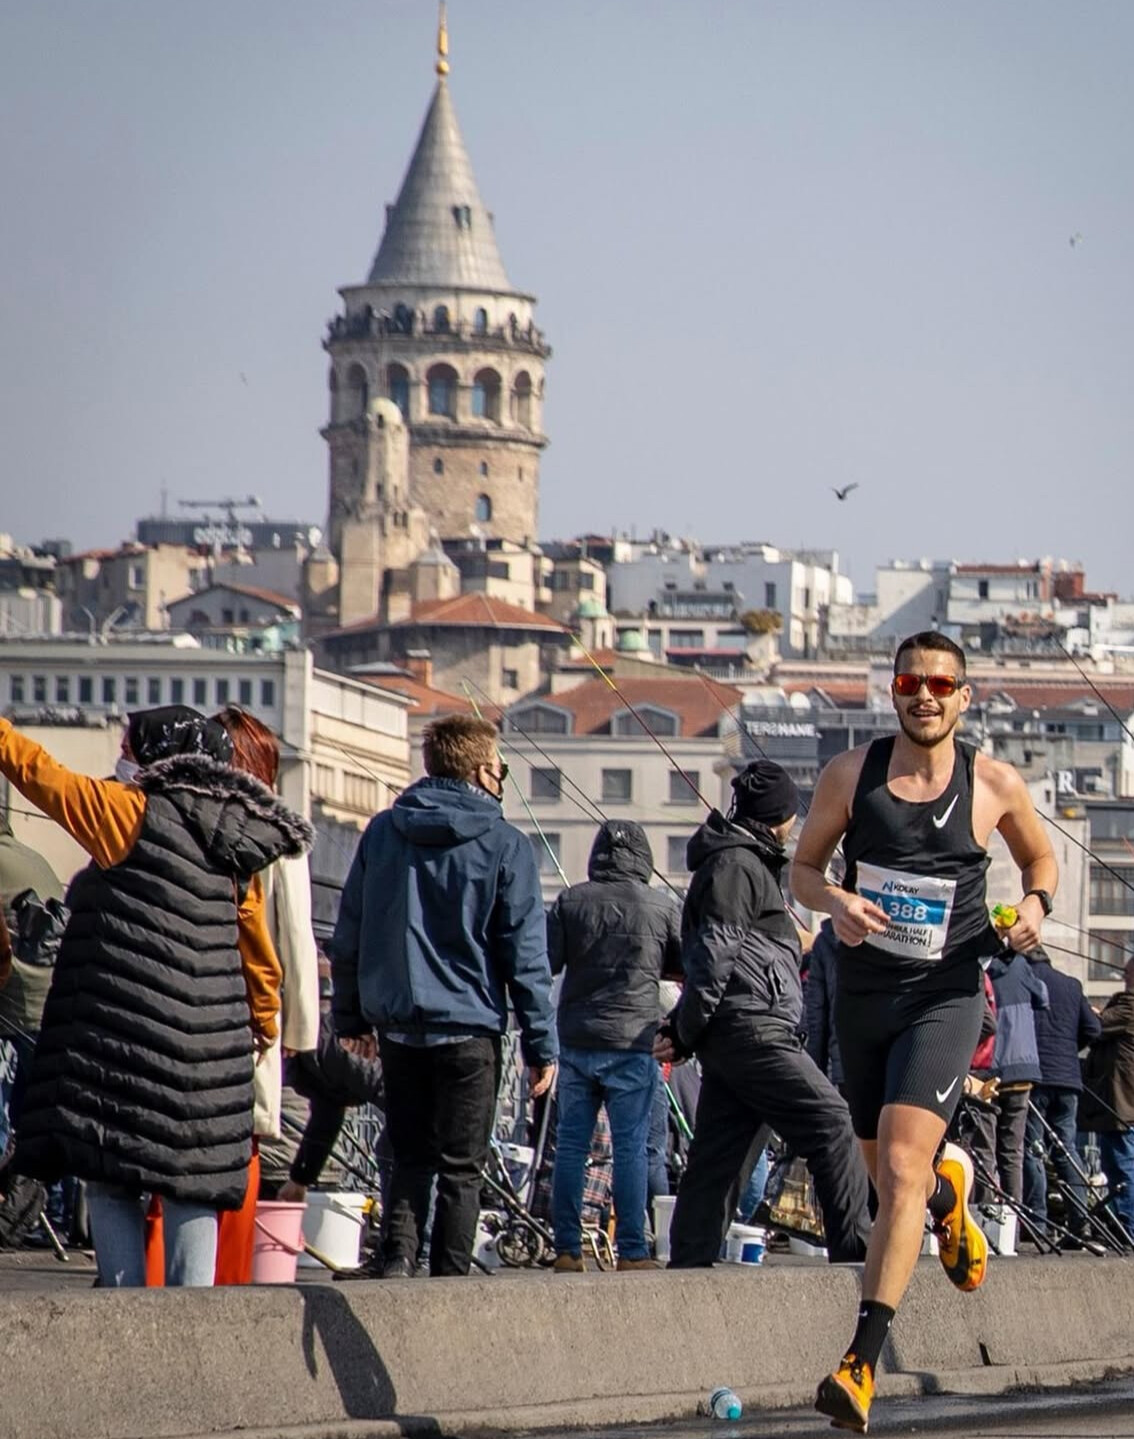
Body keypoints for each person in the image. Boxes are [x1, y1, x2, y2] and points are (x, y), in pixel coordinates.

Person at [791, 630, 1057, 1434]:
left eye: (942, 685)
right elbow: (803, 869)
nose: (926, 696)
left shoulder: (994, 782)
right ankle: (951, 1194)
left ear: (963, 697)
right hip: (864, 996)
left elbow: (1042, 863)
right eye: (912, 683)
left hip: (946, 995)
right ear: (894, 691)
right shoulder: (851, 775)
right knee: (892, 1178)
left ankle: (859, 1363)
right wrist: (837, 901)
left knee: (902, 1168)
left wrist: (1034, 908)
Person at [0, 705, 312, 1287]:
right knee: (193, 1185)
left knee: (111, 1175)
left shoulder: (124, 813)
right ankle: (189, 1314)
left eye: (128, 748)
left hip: (125, 1043)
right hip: (210, 1053)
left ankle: (126, 1308)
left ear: (154, 757)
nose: (121, 758)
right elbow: (258, 950)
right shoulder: (233, 839)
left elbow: (41, 775)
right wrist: (264, 1020)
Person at [330, 714, 557, 1278]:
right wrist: (541, 1045)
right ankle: (450, 1283)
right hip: (470, 1029)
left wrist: (350, 1018)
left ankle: (397, 1261)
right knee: (462, 1168)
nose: (502, 779)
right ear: (481, 772)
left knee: (408, 1155)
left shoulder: (383, 833)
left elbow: (350, 931)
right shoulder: (506, 844)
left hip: (399, 1028)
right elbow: (525, 955)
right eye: (502, 769)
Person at [655, 759, 870, 1271]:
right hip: (752, 1029)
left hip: (740, 1031)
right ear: (782, 817)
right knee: (832, 1123)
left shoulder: (741, 863)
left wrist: (688, 1029)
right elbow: (714, 957)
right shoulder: (735, 866)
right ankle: (858, 1262)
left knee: (718, 1161)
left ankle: (687, 1272)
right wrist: (684, 1031)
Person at [546, 819, 682, 1271]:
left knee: (571, 1147)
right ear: (644, 858)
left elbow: (547, 961)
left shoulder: (571, 901)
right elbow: (683, 965)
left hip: (577, 1040)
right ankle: (632, 1251)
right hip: (633, 1041)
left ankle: (566, 1249)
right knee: (631, 1149)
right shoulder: (661, 906)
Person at [1023, 945, 1100, 1242]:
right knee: (1066, 1148)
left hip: (1034, 1077)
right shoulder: (1071, 985)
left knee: (1032, 1149)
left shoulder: (1023, 981)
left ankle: (1037, 1222)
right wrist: (1069, 1050)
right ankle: (1080, 1222)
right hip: (1068, 1079)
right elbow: (1093, 1029)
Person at [1080, 959, 1134, 1244]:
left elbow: (1095, 1026)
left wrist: (1083, 1008)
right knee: (1121, 1164)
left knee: (1121, 1166)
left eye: (1127, 971)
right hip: (1124, 1104)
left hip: (1121, 1105)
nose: (1124, 976)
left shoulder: (1129, 1006)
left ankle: (1128, 1227)